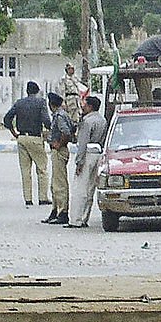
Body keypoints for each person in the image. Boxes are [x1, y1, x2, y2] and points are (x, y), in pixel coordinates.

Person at [3, 81, 52, 206]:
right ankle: (42, 197)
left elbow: (7, 118)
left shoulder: (19, 103)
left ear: (27, 91)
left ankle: (28, 198)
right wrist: (49, 129)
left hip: (22, 137)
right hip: (35, 138)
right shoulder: (41, 102)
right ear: (37, 91)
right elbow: (46, 120)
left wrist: (14, 133)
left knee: (25, 170)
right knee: (42, 169)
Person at [66, 96, 107, 228]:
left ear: (90, 107)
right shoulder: (102, 120)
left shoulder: (87, 121)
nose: (82, 106)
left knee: (80, 188)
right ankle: (84, 218)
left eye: (85, 104)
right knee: (91, 189)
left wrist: (79, 161)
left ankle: (75, 220)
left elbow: (82, 143)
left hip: (87, 155)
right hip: (98, 154)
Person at [44, 92, 74, 225]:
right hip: (57, 150)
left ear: (51, 104)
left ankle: (63, 212)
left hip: (59, 150)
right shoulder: (61, 114)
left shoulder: (60, 116)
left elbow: (66, 132)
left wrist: (59, 144)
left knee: (60, 183)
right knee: (55, 183)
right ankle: (55, 210)